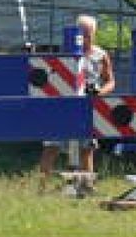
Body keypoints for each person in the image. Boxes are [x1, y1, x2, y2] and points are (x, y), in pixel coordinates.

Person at [39, 14, 116, 190]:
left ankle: (87, 185)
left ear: (94, 34)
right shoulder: (64, 53)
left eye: (89, 34)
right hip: (62, 106)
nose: (85, 38)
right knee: (52, 146)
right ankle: (42, 186)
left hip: (87, 107)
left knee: (87, 148)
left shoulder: (100, 55)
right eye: (82, 34)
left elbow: (111, 81)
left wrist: (99, 92)